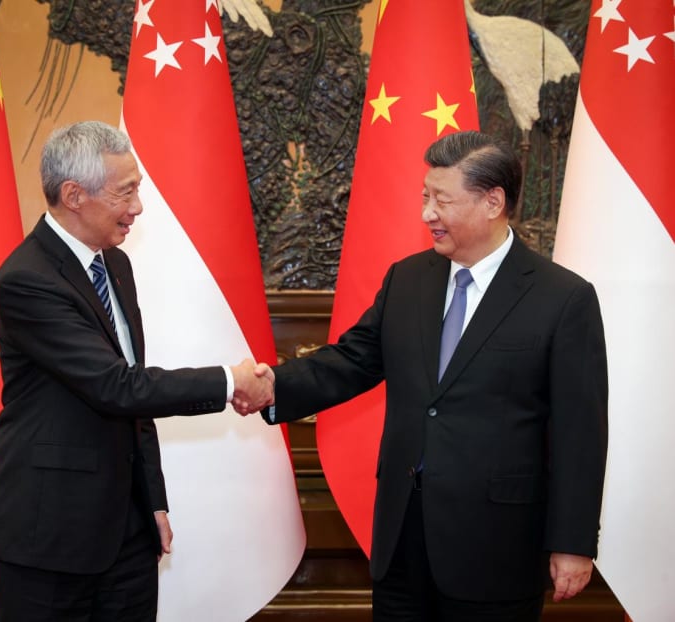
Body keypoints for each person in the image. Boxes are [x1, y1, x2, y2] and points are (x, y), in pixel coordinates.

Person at [250, 130, 608, 621]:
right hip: (402, 540)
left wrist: (572, 542)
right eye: (425, 196)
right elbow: (352, 360)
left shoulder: (562, 298)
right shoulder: (408, 278)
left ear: (492, 202)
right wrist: (271, 387)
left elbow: (580, 434)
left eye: (441, 200)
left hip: (496, 547)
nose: (426, 214)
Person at [0, 120, 271, 622]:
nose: (138, 208)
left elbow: (132, 396)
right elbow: (117, 387)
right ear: (74, 194)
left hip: (128, 535)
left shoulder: (114, 264)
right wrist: (229, 381)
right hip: (49, 537)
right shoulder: (26, 280)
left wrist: (151, 500)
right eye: (127, 192)